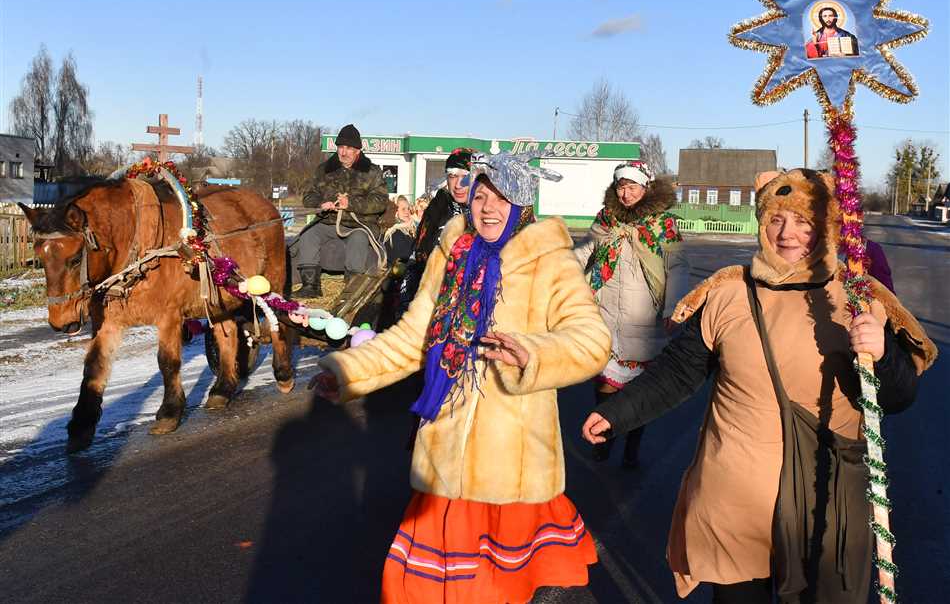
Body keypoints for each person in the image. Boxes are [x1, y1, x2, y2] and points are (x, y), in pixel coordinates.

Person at [582, 168, 937, 603]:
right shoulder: (729, 294)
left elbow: (900, 397)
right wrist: (616, 412)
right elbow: (677, 372)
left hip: (822, 503)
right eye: (776, 219)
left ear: (826, 227)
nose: (788, 234)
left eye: (804, 222)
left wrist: (881, 355)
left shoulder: (859, 297)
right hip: (734, 501)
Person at [312, 151, 611, 604]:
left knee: (496, 589)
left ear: (522, 204)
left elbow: (591, 339)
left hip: (511, 460)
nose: (488, 207)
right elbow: (415, 335)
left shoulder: (550, 259)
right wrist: (347, 372)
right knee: (421, 588)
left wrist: (533, 353)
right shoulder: (452, 252)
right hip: (443, 452)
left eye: (501, 197)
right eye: (481, 195)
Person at [574, 160, 689, 467]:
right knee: (604, 386)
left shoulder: (662, 225)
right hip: (605, 315)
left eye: (632, 186)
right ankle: (604, 440)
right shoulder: (606, 219)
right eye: (621, 186)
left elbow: (677, 266)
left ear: (645, 187)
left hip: (643, 319)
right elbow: (586, 250)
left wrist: (673, 307)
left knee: (638, 393)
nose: (625, 193)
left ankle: (631, 448)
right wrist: (562, 267)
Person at [292, 124, 389, 298]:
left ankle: (351, 290)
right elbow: (308, 196)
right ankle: (310, 285)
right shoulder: (324, 170)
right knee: (308, 234)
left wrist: (351, 203)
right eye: (341, 147)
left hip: (359, 225)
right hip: (327, 221)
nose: (343, 152)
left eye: (349, 148)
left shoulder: (372, 172)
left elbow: (380, 201)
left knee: (358, 239)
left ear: (358, 151)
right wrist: (321, 203)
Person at [398, 148, 473, 315]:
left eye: (465, 177)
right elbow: (419, 251)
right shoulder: (439, 205)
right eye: (452, 176)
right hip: (433, 285)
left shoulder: (485, 208)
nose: (458, 184)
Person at [382, 195, 416, 263]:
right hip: (399, 271)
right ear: (395, 212)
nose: (407, 212)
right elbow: (404, 257)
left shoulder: (411, 229)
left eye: (408, 209)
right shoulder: (394, 232)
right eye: (403, 209)